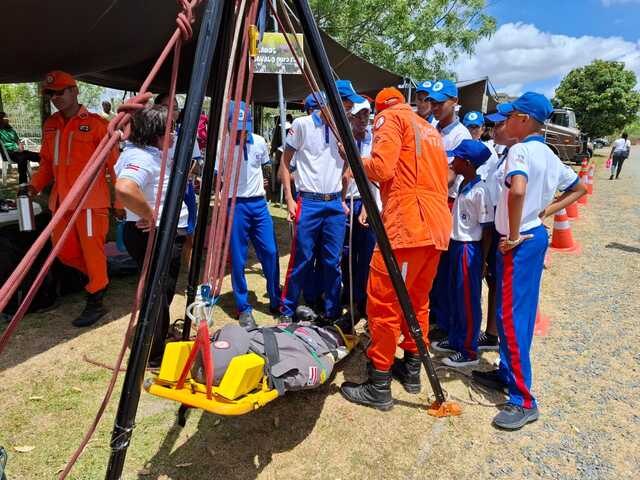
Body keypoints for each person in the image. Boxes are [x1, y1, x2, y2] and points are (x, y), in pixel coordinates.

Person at [472, 92, 586, 430]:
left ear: (523, 119)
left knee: (510, 317)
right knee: (515, 312)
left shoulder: (520, 149)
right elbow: (578, 188)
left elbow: (517, 189)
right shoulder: (548, 153)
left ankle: (522, 398)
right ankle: (507, 373)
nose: (504, 123)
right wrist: (544, 213)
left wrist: (513, 232)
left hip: (519, 243)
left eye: (509, 117)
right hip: (532, 236)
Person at [340, 87, 452, 411]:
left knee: (384, 303)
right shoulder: (429, 129)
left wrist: (354, 161)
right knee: (417, 300)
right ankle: (412, 369)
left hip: (408, 224)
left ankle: (379, 384)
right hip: (436, 226)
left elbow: (382, 167)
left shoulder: (390, 118)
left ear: (380, 108)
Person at [27, 71, 120, 327]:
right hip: (60, 203)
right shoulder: (51, 125)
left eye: (60, 92)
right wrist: (34, 186)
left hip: (91, 203)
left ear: (74, 91)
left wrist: (120, 202)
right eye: (51, 94)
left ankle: (96, 299)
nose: (56, 97)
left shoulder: (97, 124)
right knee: (64, 253)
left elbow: (115, 166)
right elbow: (47, 163)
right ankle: (99, 275)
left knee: (92, 252)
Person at [278, 82, 362, 323]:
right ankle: (287, 310)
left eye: (349, 105)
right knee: (302, 259)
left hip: (334, 203)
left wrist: (343, 198)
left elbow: (348, 166)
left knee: (332, 261)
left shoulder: (344, 128)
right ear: (331, 100)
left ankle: (331, 312)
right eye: (345, 103)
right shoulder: (302, 124)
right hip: (310, 201)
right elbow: (285, 162)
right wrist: (289, 198)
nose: (348, 108)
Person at [115, 103, 189, 366]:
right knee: (157, 293)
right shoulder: (141, 158)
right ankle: (154, 354)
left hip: (161, 231)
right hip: (154, 233)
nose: (173, 134)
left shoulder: (149, 151)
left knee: (162, 290)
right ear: (155, 132)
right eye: (170, 129)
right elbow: (124, 188)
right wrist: (149, 214)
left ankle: (157, 335)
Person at [431, 140, 494, 367]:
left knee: (468, 299)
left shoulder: (480, 191)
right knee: (455, 296)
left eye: (456, 158)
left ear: (466, 163)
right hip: (456, 245)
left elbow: (487, 229)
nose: (452, 161)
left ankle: (468, 350)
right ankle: (457, 338)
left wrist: (484, 260)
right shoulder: (464, 184)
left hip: (469, 248)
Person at [218, 101, 281, 328]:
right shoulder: (222, 146)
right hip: (235, 206)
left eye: (245, 126)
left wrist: (263, 183)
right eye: (238, 127)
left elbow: (262, 166)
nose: (242, 131)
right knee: (238, 257)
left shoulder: (260, 142)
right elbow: (217, 176)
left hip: (259, 204)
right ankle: (243, 307)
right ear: (228, 124)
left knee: (271, 252)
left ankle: (275, 299)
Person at [427, 79, 472, 341]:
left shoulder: (460, 135)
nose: (434, 107)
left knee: (443, 267)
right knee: (431, 265)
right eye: (431, 102)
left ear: (454, 102)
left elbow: (450, 176)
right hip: (430, 201)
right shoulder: (432, 128)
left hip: (447, 203)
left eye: (439, 102)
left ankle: (443, 321)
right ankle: (432, 314)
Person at [341, 99, 380, 322]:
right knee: (345, 254)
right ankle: (348, 294)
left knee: (365, 254)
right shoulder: (342, 140)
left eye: (367, 115)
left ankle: (363, 299)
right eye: (359, 115)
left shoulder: (373, 141)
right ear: (351, 117)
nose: (364, 120)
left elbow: (373, 175)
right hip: (344, 200)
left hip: (365, 202)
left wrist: (367, 203)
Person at [0, 111, 40, 184]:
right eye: (5, 117)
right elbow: (4, 146)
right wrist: (15, 149)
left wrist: (20, 146)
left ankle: (47, 175)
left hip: (19, 152)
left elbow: (18, 140)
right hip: (9, 153)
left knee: (40, 156)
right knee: (22, 157)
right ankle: (23, 183)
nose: (8, 119)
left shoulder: (11, 130)